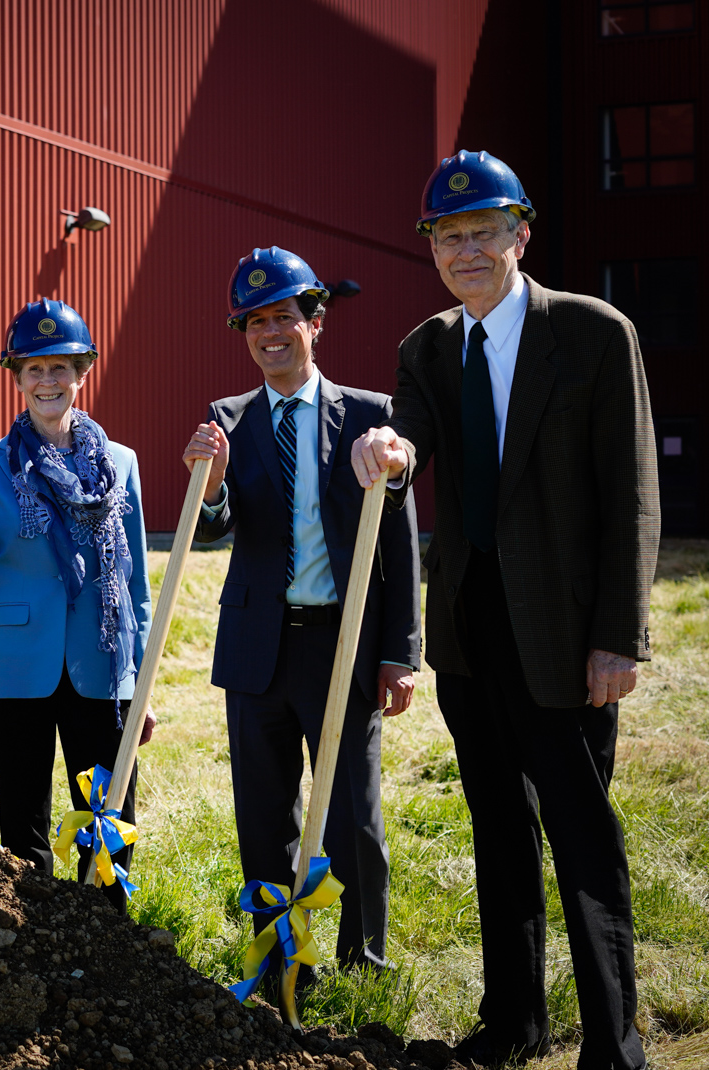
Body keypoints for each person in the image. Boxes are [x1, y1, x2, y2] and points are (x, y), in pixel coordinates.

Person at [351, 151, 658, 1070]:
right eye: (450, 237)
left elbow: (633, 499)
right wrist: (386, 451)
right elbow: (412, 443)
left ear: (521, 235)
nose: (466, 250)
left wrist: (619, 639)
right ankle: (513, 1024)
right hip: (471, 635)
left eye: (484, 231)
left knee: (582, 837)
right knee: (496, 829)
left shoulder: (596, 335)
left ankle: (616, 1044)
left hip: (566, 640)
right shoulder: (428, 347)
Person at [181, 248, 420, 977]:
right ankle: (283, 958)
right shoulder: (228, 419)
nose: (269, 334)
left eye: (284, 317)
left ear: (315, 322)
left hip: (341, 645)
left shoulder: (372, 417)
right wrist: (212, 484)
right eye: (255, 323)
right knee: (263, 815)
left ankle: (362, 958)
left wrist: (400, 651)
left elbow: (400, 546)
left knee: (352, 812)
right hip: (257, 648)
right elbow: (216, 528)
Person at [0, 300, 153, 912]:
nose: (48, 382)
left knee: (108, 815)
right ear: (15, 377)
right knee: (25, 820)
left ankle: (108, 939)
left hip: (102, 664)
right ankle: (33, 939)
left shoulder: (120, 464)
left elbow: (136, 582)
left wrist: (142, 681)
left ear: (83, 371)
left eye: (61, 368)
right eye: (34, 369)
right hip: (16, 664)